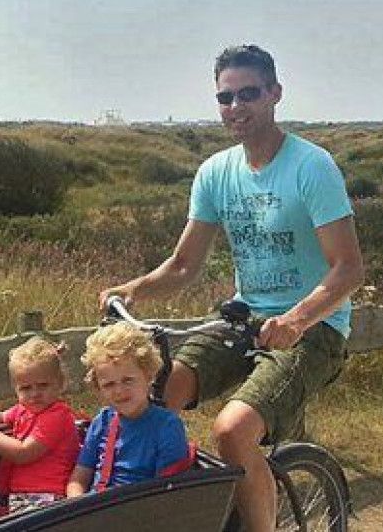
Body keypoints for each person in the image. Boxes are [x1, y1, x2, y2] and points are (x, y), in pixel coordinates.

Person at [97, 44, 364, 531]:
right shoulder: (216, 173)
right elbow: (182, 265)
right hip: (242, 321)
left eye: (248, 94)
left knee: (231, 431)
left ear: (275, 94)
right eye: (225, 98)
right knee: (150, 399)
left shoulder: (312, 166)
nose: (236, 108)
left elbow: (347, 269)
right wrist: (132, 290)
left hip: (314, 329)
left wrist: (297, 318)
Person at [0, 336, 82, 526]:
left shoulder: (57, 416)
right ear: (16, 390)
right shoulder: (22, 410)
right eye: (26, 388)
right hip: (13, 498)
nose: (34, 394)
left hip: (45, 500)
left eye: (43, 385)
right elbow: (1, 417)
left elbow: (23, 453)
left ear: (60, 383)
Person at [65, 322, 194, 497]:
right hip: (93, 508)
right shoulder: (103, 421)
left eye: (128, 380)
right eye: (109, 384)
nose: (118, 391)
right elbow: (79, 477)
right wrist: (76, 504)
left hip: (139, 510)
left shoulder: (167, 426)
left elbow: (168, 491)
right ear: (99, 388)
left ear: (148, 376)